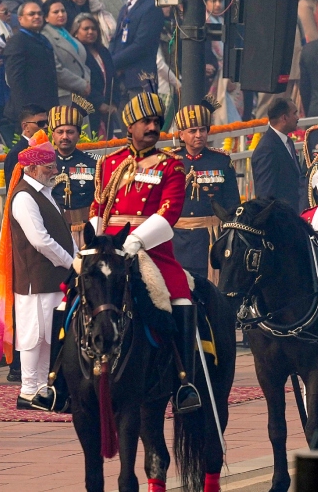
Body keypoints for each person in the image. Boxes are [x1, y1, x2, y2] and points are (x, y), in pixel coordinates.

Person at [89, 90, 201, 413]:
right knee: (70, 291)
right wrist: (98, 241)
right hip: (108, 248)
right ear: (130, 126)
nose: (152, 127)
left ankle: (184, 383)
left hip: (150, 249)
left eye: (156, 122)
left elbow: (169, 214)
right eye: (145, 122)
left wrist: (135, 241)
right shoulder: (109, 163)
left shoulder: (171, 166)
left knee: (178, 296)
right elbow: (98, 206)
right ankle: (57, 381)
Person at [0, 128, 74, 409]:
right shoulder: (24, 197)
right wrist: (71, 261)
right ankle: (29, 391)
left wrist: (78, 259)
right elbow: (40, 240)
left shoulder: (44, 192)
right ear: (31, 168)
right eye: (48, 165)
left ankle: (43, 389)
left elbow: (61, 234)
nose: (54, 169)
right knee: (33, 337)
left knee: (47, 337)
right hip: (35, 280)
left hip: (53, 278)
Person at [169, 98, 240, 279]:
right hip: (179, 240)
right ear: (181, 135)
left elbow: (232, 204)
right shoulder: (170, 162)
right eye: (192, 131)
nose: (198, 135)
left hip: (211, 240)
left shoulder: (221, 161)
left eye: (202, 130)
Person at [48, 98, 99, 250]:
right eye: (60, 132)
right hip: (53, 228)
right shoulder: (43, 164)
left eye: (70, 132)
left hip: (86, 230)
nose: (65, 136)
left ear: (78, 134)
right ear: (53, 134)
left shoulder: (94, 162)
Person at [111, 0, 163, 100]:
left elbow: (141, 45)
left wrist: (112, 62)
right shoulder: (125, 8)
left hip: (140, 78)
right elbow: (116, 39)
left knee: (142, 119)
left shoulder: (151, 7)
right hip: (121, 78)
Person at [3, 2, 59, 121]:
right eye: (31, 14)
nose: (37, 17)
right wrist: (25, 114)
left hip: (47, 106)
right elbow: (15, 80)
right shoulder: (17, 42)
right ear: (20, 19)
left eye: (39, 13)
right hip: (29, 110)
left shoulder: (42, 39)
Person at [251, 98, 306, 212]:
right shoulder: (266, 149)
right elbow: (265, 194)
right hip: (280, 219)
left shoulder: (288, 141)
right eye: (294, 113)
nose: (297, 118)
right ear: (284, 118)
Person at [41, 0, 89, 102]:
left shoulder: (66, 33)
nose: (61, 14)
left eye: (63, 11)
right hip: (64, 94)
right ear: (46, 17)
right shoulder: (45, 37)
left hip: (80, 93)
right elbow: (56, 69)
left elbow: (82, 63)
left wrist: (87, 82)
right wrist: (81, 84)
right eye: (56, 12)